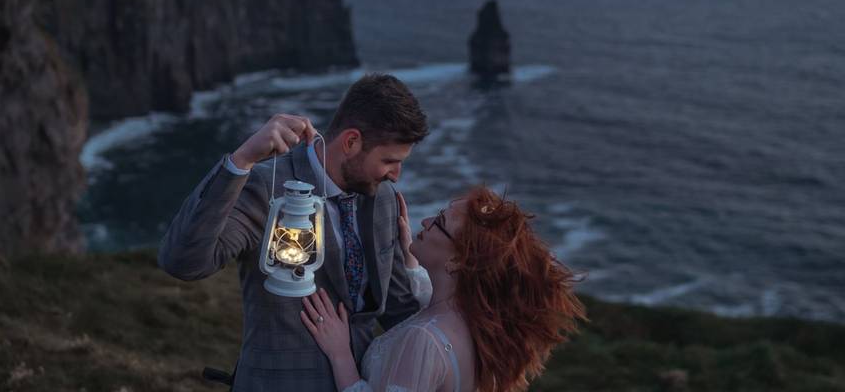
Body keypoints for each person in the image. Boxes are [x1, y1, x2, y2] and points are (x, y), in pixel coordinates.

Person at [158, 73, 429, 391]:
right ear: (351, 142)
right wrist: (241, 161)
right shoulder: (265, 185)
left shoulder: (382, 197)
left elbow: (399, 311)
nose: (396, 175)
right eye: (389, 161)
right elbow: (183, 263)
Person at [301, 187, 586, 392]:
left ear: (457, 261)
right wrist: (412, 257)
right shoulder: (477, 324)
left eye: (439, 222)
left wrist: (340, 355)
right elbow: (431, 295)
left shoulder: (422, 340)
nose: (425, 222)